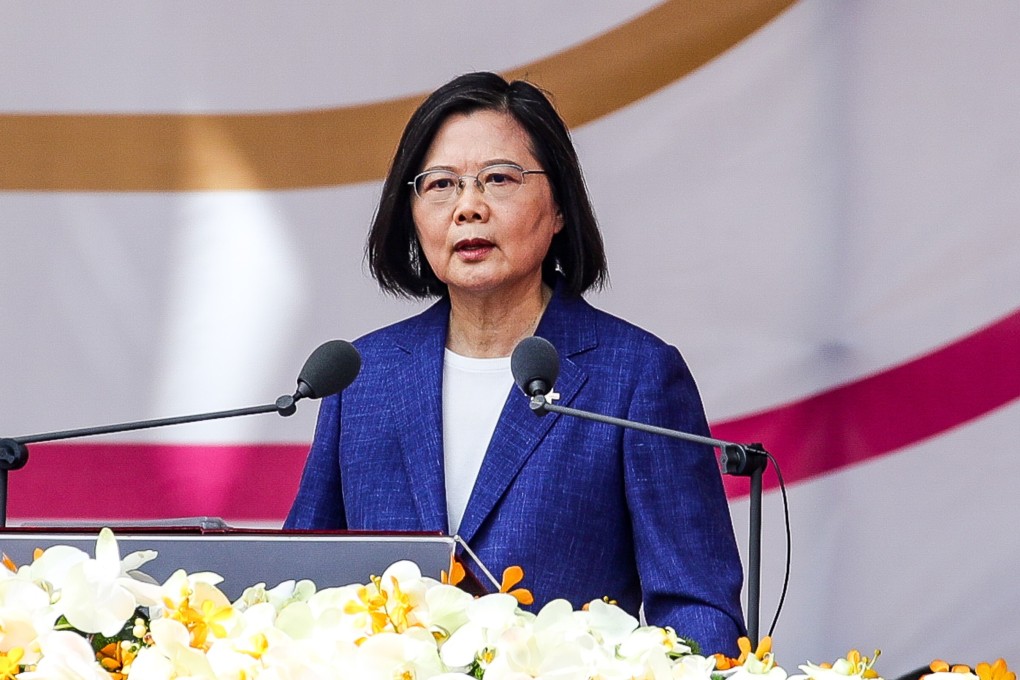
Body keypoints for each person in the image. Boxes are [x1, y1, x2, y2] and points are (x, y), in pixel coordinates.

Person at [285, 71, 745, 654]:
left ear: (558, 210)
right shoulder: (363, 377)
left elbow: (699, 609)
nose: (468, 207)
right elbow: (296, 592)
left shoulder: (635, 377)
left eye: (498, 179)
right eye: (441, 184)